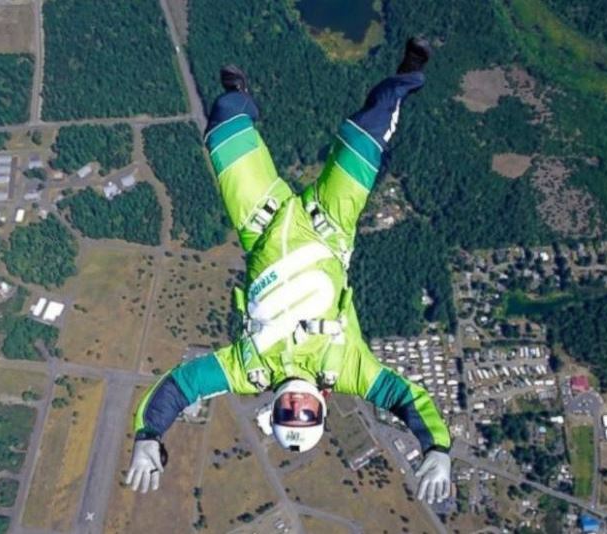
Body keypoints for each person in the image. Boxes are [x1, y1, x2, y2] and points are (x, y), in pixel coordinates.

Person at [125, 38, 452, 504]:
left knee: (224, 122)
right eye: (306, 414)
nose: (297, 404)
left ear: (274, 409)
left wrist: (149, 435)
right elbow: (407, 399)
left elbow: (182, 386)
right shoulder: (349, 370)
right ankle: (410, 72)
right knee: (369, 127)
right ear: (321, 410)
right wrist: (435, 446)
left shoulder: (248, 371)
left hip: (261, 223)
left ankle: (241, 95)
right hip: (330, 222)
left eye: (288, 413)